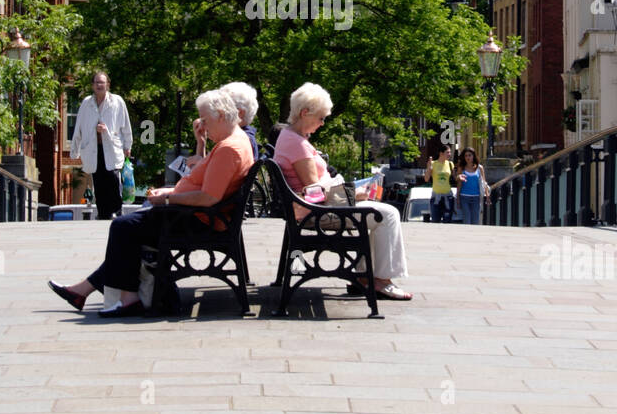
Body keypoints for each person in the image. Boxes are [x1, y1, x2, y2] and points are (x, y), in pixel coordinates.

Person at [49, 88, 254, 318]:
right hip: (195, 214)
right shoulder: (234, 141)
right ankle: (90, 293)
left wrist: (167, 198)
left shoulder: (229, 149)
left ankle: (126, 299)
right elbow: (207, 185)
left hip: (195, 220)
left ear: (222, 115)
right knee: (130, 226)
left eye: (205, 120)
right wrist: (170, 190)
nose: (202, 125)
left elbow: (209, 198)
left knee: (123, 228)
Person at [273, 82, 411, 301]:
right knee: (388, 215)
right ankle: (381, 281)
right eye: (320, 118)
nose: (322, 123)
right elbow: (314, 193)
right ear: (304, 112)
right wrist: (353, 195)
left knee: (382, 213)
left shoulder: (291, 138)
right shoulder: (296, 144)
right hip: (317, 213)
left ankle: (367, 276)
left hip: (318, 208)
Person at [68, 71, 133, 220]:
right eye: (96, 82)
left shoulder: (117, 102)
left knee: (113, 178)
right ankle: (103, 212)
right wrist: (75, 151)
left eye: (102, 82)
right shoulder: (86, 103)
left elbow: (125, 126)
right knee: (98, 180)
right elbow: (78, 127)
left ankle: (116, 210)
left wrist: (127, 145)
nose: (99, 85)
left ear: (108, 85)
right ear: (92, 85)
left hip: (111, 147)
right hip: (93, 149)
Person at [455, 147, 488, 225]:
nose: (468, 158)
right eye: (466, 156)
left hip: (476, 198)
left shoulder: (480, 168)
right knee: (467, 221)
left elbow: (483, 183)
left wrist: (487, 195)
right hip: (464, 197)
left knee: (475, 221)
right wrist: (458, 198)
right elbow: (459, 183)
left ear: (474, 156)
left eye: (469, 155)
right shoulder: (462, 168)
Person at [424, 145, 456, 223]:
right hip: (436, 197)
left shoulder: (450, 164)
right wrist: (429, 168)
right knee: (435, 221)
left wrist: (459, 177)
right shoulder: (433, 163)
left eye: (450, 152)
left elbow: (455, 177)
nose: (449, 154)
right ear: (441, 153)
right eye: (447, 152)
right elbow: (426, 179)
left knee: (447, 221)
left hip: (448, 196)